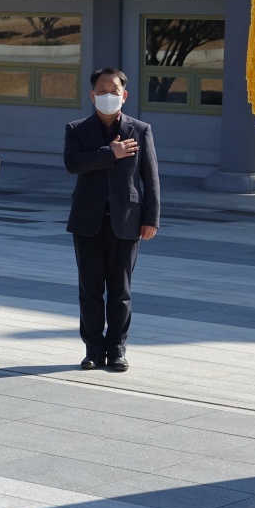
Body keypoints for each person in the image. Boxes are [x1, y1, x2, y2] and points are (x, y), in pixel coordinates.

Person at [63, 67, 160, 373]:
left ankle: (117, 348)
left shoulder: (140, 129)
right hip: (87, 221)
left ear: (124, 95)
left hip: (127, 221)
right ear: (92, 96)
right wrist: (110, 153)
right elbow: (73, 163)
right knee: (90, 290)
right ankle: (93, 349)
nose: (108, 95)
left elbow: (151, 178)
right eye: (102, 90)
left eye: (114, 90)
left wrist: (151, 218)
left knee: (120, 290)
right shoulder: (77, 129)